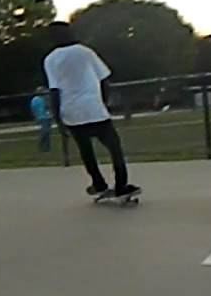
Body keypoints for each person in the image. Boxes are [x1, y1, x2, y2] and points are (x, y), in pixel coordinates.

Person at [42, 22, 140, 199]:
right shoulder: (86, 52)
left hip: (71, 111)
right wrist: (103, 101)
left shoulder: (50, 59)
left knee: (86, 150)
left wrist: (58, 119)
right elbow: (104, 80)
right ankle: (121, 185)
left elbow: (54, 90)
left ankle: (98, 183)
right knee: (114, 148)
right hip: (94, 108)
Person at [30, 87, 53, 152]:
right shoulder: (35, 99)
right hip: (42, 117)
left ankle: (47, 147)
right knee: (45, 131)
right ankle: (41, 145)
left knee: (48, 132)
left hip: (47, 116)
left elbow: (49, 106)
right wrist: (35, 116)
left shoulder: (45, 98)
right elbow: (33, 109)